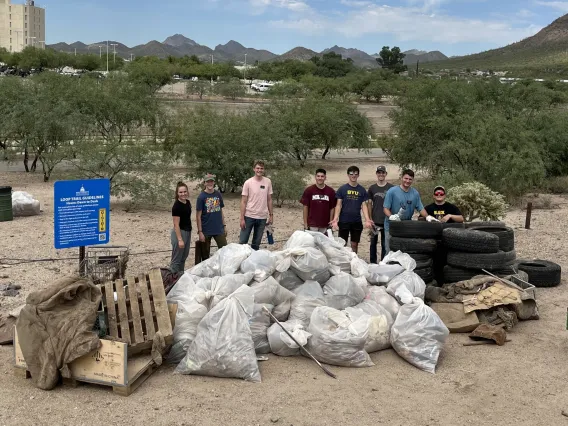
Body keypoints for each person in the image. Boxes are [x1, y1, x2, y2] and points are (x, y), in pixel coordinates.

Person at [383, 169, 436, 254]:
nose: (407, 181)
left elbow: (420, 208)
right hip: (391, 226)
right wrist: (391, 216)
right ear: (401, 178)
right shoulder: (392, 191)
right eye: (406, 178)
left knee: (403, 251)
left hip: (406, 227)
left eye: (410, 179)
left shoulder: (415, 193)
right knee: (390, 251)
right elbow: (385, 208)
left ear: (412, 180)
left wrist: (427, 216)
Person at [331, 165, 374, 254]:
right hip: (344, 221)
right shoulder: (342, 189)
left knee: (354, 244)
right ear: (348, 175)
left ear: (358, 175)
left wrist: (367, 219)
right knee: (342, 243)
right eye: (351, 174)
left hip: (356, 221)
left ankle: (354, 260)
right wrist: (335, 219)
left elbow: (364, 206)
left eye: (355, 174)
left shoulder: (362, 190)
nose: (353, 176)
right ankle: (343, 261)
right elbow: (338, 205)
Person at [239, 160, 273, 251]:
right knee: (242, 242)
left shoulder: (268, 182)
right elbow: (243, 201)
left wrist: (271, 215)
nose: (259, 170)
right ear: (254, 169)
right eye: (257, 168)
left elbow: (269, 199)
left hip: (262, 217)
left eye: (261, 168)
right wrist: (242, 218)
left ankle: (253, 263)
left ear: (264, 169)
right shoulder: (248, 183)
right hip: (249, 216)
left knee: (256, 243)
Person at [196, 174, 228, 260]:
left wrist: (224, 226)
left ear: (214, 182)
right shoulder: (201, 197)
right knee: (205, 255)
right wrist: (200, 232)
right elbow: (198, 216)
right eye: (208, 181)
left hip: (218, 228)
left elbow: (221, 211)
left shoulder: (218, 194)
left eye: (211, 181)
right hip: (206, 230)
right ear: (204, 183)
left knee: (224, 251)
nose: (210, 183)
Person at [367, 165, 394, 263]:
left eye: (383, 172)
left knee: (385, 244)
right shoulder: (372, 188)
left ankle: (383, 262)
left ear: (386, 174)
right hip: (375, 221)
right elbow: (369, 204)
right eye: (379, 172)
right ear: (376, 174)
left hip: (387, 221)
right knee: (373, 243)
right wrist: (370, 219)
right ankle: (373, 262)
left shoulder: (391, 188)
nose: (381, 174)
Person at [300, 168, 337, 233]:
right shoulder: (309, 190)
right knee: (312, 243)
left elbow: (332, 208)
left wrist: (330, 224)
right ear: (315, 177)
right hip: (312, 224)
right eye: (318, 176)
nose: (320, 178)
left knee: (324, 243)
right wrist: (305, 224)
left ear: (325, 177)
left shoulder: (331, 191)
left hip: (325, 224)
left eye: (322, 176)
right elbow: (305, 207)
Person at [170, 181, 192, 273]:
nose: (183, 194)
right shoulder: (176, 206)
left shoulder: (187, 203)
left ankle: (180, 277)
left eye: (184, 191)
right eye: (181, 192)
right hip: (179, 232)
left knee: (184, 256)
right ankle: (171, 278)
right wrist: (180, 239)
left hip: (187, 231)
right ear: (177, 193)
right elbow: (176, 225)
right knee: (176, 259)